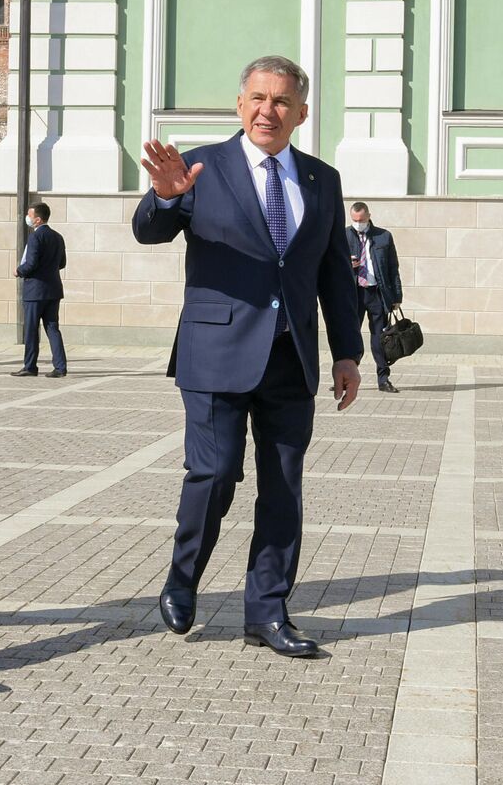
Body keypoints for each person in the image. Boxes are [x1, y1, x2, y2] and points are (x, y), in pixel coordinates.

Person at [133, 55, 363, 659]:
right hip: (216, 351)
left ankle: (267, 612)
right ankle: (183, 579)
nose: (269, 110)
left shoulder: (322, 179)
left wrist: (346, 352)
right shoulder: (202, 167)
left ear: (301, 113)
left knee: (283, 487)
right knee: (214, 474)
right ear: (240, 105)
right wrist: (164, 197)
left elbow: (335, 273)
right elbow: (149, 230)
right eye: (258, 98)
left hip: (291, 357)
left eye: (282, 101)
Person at [346, 202, 404, 394]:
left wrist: (396, 296)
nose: (358, 224)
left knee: (380, 338)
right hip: (354, 293)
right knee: (350, 336)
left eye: (361, 220)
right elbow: (331, 267)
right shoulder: (342, 236)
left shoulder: (383, 236)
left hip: (376, 293)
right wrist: (348, 265)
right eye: (354, 220)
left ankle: (383, 379)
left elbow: (393, 268)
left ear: (369, 216)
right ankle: (347, 377)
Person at [12, 203, 67, 378]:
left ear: (38, 219)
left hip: (35, 291)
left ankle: (30, 366)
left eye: (30, 215)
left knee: (31, 329)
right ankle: (60, 367)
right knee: (52, 328)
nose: (27, 218)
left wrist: (19, 271)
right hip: (53, 290)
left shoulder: (36, 237)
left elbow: (31, 263)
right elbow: (62, 263)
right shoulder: (57, 237)